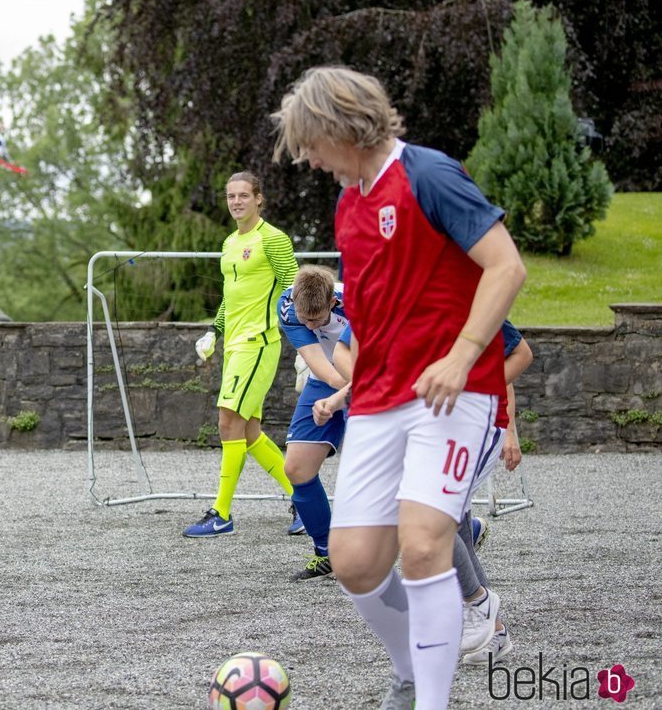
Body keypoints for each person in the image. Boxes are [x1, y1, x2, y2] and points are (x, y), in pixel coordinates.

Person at [273, 66, 526, 710]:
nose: (308, 157)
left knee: (421, 545)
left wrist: (464, 354)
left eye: (311, 141)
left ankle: (432, 701)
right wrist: (347, 389)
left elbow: (506, 267)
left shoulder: (430, 174)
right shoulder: (348, 204)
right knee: (353, 560)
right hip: (380, 399)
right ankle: (411, 668)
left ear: (340, 127)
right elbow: (372, 318)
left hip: (452, 394)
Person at [184, 171, 299, 537]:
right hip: (234, 344)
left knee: (227, 421)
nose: (236, 202)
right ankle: (305, 501)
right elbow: (229, 296)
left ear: (259, 198)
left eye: (244, 195)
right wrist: (213, 330)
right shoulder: (230, 241)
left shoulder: (273, 239)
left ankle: (221, 513)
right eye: (231, 195)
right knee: (248, 432)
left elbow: (297, 289)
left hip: (258, 343)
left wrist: (304, 338)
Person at [457, 321, 533, 665]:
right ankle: (490, 624)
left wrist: (511, 433)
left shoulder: (470, 294)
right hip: (439, 424)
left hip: (481, 423)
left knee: (435, 518)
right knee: (447, 522)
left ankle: (484, 610)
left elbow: (518, 355)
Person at [276, 265, 353, 580]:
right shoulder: (287, 306)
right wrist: (336, 397)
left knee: (382, 471)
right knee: (296, 467)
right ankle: (327, 552)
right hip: (329, 375)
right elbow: (319, 364)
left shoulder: (359, 303)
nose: (308, 325)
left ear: (333, 303)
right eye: (303, 318)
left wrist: (341, 400)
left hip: (370, 371)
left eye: (316, 320)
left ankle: (457, 529)